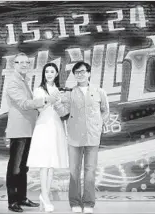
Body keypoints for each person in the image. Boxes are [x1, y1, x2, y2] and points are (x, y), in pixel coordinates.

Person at [53, 61, 110, 214]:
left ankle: (89, 203)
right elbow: (63, 113)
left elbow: (105, 111)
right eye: (77, 72)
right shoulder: (69, 93)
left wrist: (99, 125)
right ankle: (75, 203)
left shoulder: (99, 92)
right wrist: (56, 102)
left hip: (92, 137)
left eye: (83, 71)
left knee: (90, 171)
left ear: (89, 73)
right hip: (74, 138)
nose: (80, 74)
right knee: (74, 171)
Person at [5, 53, 56, 213]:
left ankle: (22, 198)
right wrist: (46, 100)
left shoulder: (23, 80)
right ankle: (13, 201)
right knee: (14, 167)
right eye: (21, 63)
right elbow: (24, 103)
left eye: (27, 62)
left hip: (28, 129)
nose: (25, 65)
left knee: (23, 167)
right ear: (14, 64)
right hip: (19, 130)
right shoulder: (13, 82)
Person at [27, 63, 69, 212]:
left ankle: (45, 195)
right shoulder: (38, 90)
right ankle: (45, 196)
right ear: (44, 74)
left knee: (51, 164)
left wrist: (61, 101)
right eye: (47, 71)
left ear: (57, 74)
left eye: (52, 71)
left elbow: (63, 112)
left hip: (56, 126)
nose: (49, 74)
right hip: (43, 126)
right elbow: (39, 108)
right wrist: (51, 98)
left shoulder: (59, 90)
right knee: (43, 163)